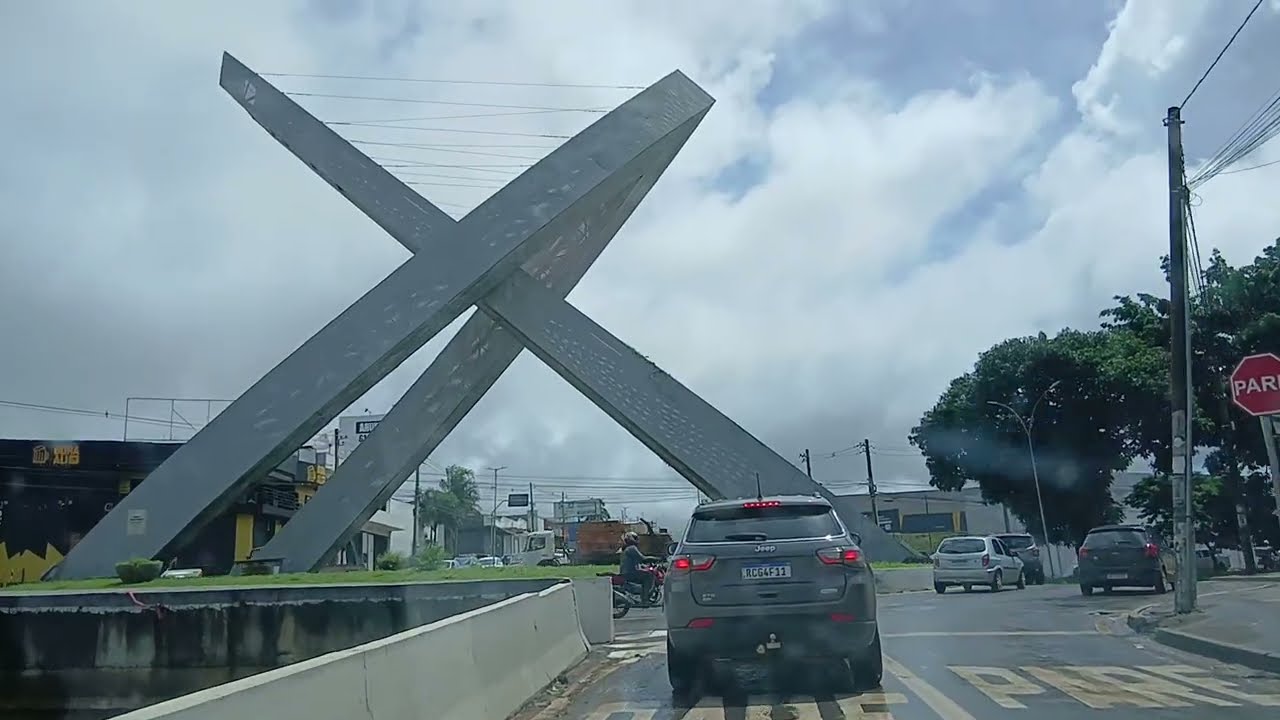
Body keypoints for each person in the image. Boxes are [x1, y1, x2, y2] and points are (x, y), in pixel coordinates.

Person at [619, 531, 660, 603]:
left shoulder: (626, 549)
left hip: (627, 572)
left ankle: (642, 594)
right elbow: (643, 559)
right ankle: (645, 599)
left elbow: (638, 562)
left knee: (646, 573)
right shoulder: (632, 548)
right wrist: (657, 558)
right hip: (630, 573)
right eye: (636, 538)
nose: (638, 540)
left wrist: (645, 566)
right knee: (649, 576)